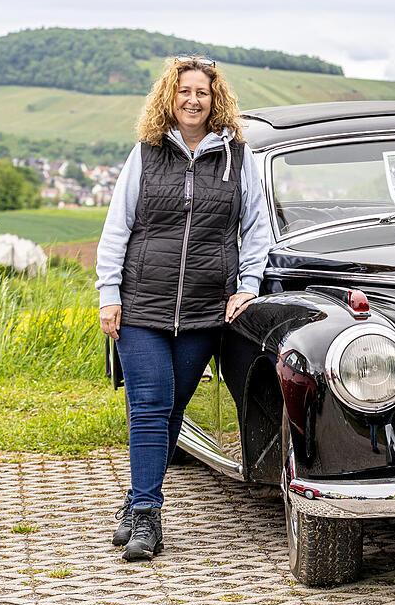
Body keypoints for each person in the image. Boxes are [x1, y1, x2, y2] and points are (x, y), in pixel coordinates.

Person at [95, 56, 271, 561]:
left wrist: (249, 285)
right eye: (185, 91)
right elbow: (117, 228)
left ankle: (133, 502)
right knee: (150, 406)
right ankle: (149, 515)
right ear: (169, 97)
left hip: (203, 310)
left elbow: (256, 229)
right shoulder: (147, 154)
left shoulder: (239, 158)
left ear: (216, 102)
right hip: (142, 306)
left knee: (171, 408)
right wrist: (110, 295)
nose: (193, 100)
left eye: (203, 93)